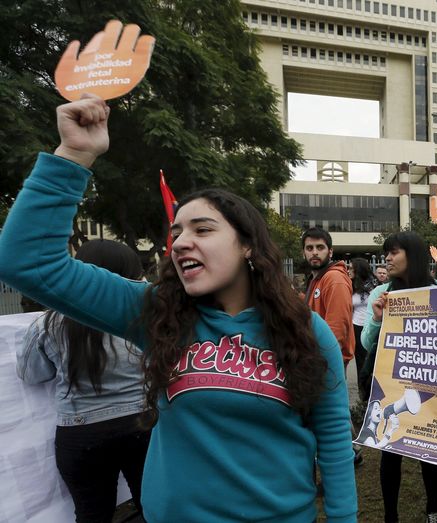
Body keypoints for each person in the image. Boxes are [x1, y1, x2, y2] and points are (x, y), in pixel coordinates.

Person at [0, 95, 357, 523]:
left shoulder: (307, 331)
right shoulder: (156, 312)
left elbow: (334, 441)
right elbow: (27, 261)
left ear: (246, 245)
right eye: (177, 232)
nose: (182, 241)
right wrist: (74, 154)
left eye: (203, 229)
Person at [17, 239, 151, 522]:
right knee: (152, 507)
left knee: (91, 515)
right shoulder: (143, 318)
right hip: (143, 423)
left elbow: (31, 374)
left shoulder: (49, 322)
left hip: (79, 432)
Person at [361, 231, 437, 523]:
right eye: (387, 253)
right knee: (390, 449)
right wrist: (378, 320)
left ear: (413, 256)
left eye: (394, 252)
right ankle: (390, 515)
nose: (388, 259)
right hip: (392, 383)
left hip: (430, 382)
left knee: (429, 448)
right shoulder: (381, 295)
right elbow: (368, 344)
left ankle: (434, 509)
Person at [303, 227, 355, 368]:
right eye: (309, 248)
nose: (314, 252)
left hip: (327, 361)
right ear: (304, 253)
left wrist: (324, 362)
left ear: (330, 252)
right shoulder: (316, 279)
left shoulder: (334, 278)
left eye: (320, 247)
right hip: (315, 357)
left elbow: (337, 328)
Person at [349, 257, 377, 401]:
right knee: (360, 361)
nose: (348, 271)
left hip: (371, 326)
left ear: (358, 269)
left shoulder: (374, 286)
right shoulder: (350, 286)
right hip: (355, 327)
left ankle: (373, 391)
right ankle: (363, 396)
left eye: (351, 268)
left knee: (371, 360)